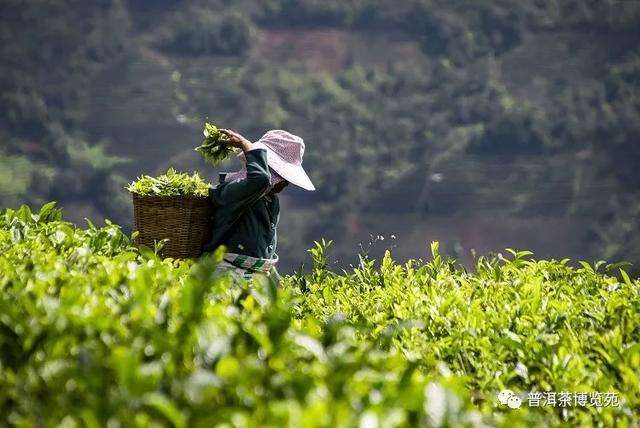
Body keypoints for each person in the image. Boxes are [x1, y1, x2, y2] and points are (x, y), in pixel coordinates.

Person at [203, 128, 315, 282]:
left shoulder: (271, 202)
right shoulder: (235, 191)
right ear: (270, 170)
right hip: (226, 277)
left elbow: (263, 253)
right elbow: (260, 180)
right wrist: (246, 144)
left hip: (253, 280)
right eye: (283, 176)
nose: (287, 183)